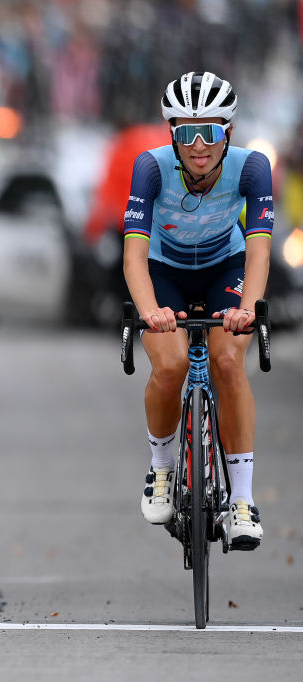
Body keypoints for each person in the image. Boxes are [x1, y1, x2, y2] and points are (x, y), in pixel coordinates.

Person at [122, 71, 272, 550]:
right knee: (171, 365)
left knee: (229, 362)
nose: (199, 144)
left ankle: (242, 502)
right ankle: (162, 469)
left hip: (224, 266)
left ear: (228, 131)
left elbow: (259, 250)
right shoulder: (149, 167)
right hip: (165, 271)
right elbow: (133, 256)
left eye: (210, 130)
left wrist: (247, 309)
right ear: (173, 135)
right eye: (186, 132)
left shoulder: (252, 168)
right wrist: (151, 312)